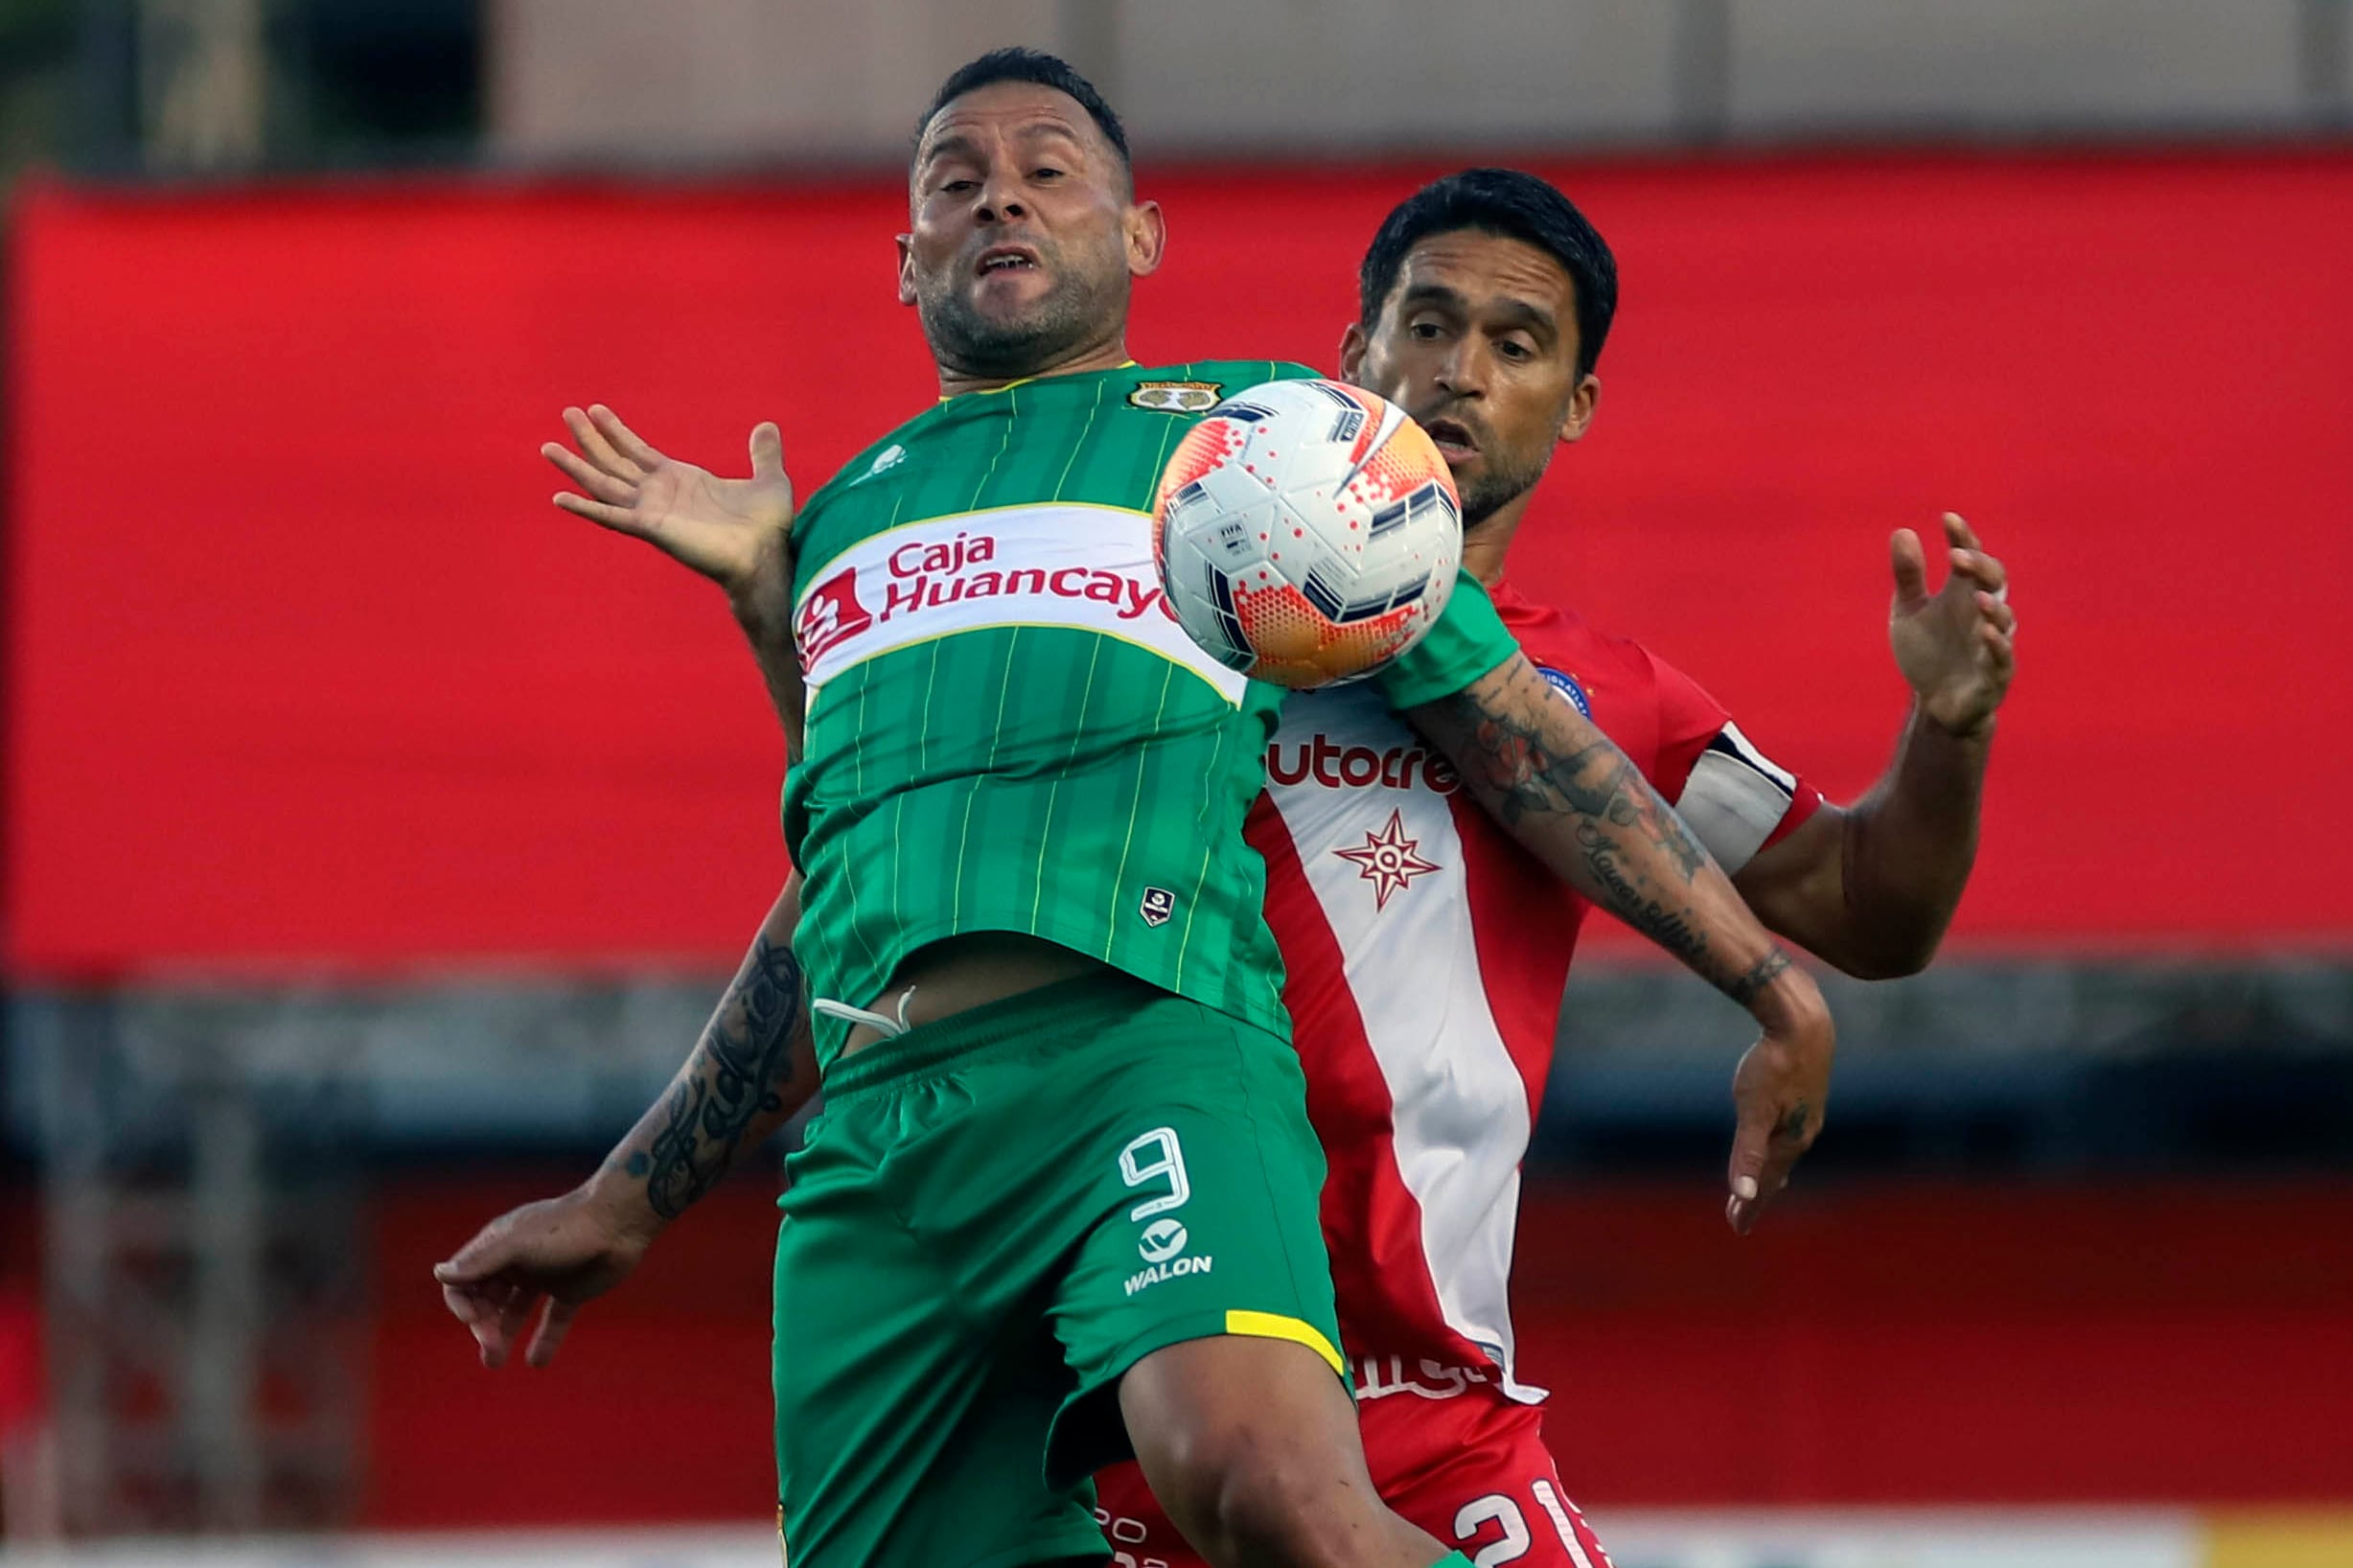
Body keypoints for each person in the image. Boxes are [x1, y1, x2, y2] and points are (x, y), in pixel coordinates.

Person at [434, 51, 1835, 1568]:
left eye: (1048, 169)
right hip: (880, 1151)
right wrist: (628, 1201)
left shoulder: (1263, 438)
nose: (1002, 198)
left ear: (1142, 234)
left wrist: (1769, 986)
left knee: (1271, 1498)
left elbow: (1517, 735)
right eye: (956, 181)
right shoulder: (835, 521)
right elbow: (838, 890)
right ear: (905, 258)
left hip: (1140, 1059)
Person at [1090, 169, 2015, 1567]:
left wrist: (1949, 730)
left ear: (1575, 403)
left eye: (1514, 345)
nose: (1459, 373)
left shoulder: (1607, 699)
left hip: (1437, 1412)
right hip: (1164, 1389)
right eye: (1427, 325)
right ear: (1355, 355)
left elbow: (1869, 909)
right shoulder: (1166, 629)